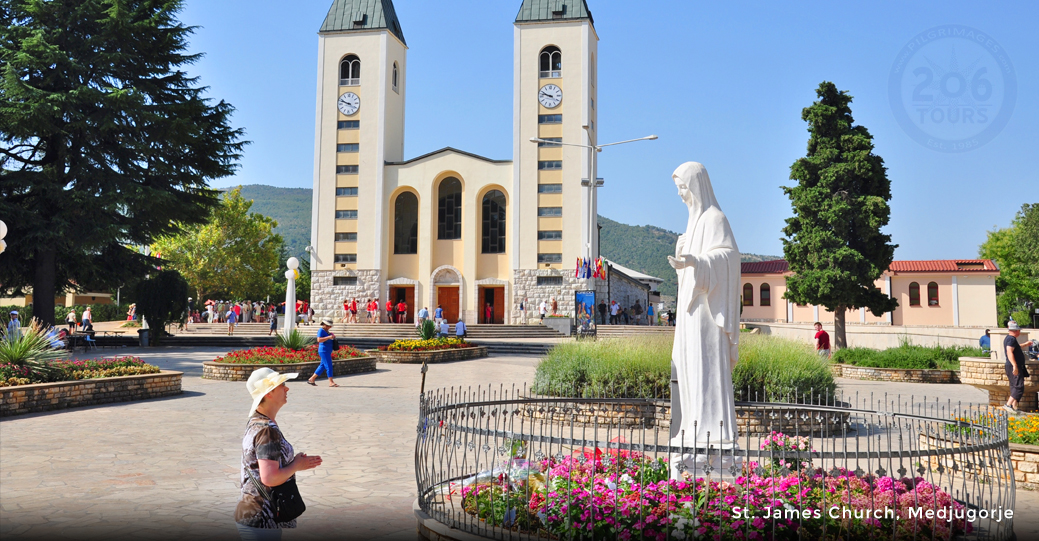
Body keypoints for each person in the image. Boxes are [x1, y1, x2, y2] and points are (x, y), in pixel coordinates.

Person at [666, 161, 742, 476]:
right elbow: (691, 268)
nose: (682, 195)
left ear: (697, 186)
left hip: (708, 317)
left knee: (707, 374)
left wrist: (697, 261)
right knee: (689, 373)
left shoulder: (715, 218)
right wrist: (683, 258)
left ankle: (715, 441)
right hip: (689, 314)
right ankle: (691, 435)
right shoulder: (691, 224)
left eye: (684, 188)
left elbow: (728, 257)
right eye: (678, 189)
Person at [235, 367, 323, 538]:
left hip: (254, 515)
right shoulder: (267, 430)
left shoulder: (256, 421)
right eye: (282, 385)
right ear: (269, 393)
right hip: (261, 518)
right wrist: (297, 465)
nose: (287, 388)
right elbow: (269, 478)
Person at [1004, 321, 1029, 413]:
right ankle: (1008, 405)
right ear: (1015, 331)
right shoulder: (1011, 339)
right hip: (1013, 365)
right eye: (1018, 330)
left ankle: (1014, 407)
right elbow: (1009, 351)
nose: (1019, 332)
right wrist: (1015, 365)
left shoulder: (1010, 339)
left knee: (1014, 386)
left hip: (1012, 365)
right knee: (1019, 387)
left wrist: (1026, 344)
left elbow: (1016, 347)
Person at [307, 318, 339, 387]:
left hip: (327, 350)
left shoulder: (327, 331)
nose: (329, 327)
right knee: (329, 365)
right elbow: (319, 340)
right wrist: (328, 337)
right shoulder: (321, 330)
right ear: (324, 324)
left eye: (330, 326)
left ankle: (312, 379)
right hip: (324, 350)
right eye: (328, 326)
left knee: (323, 366)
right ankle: (331, 382)